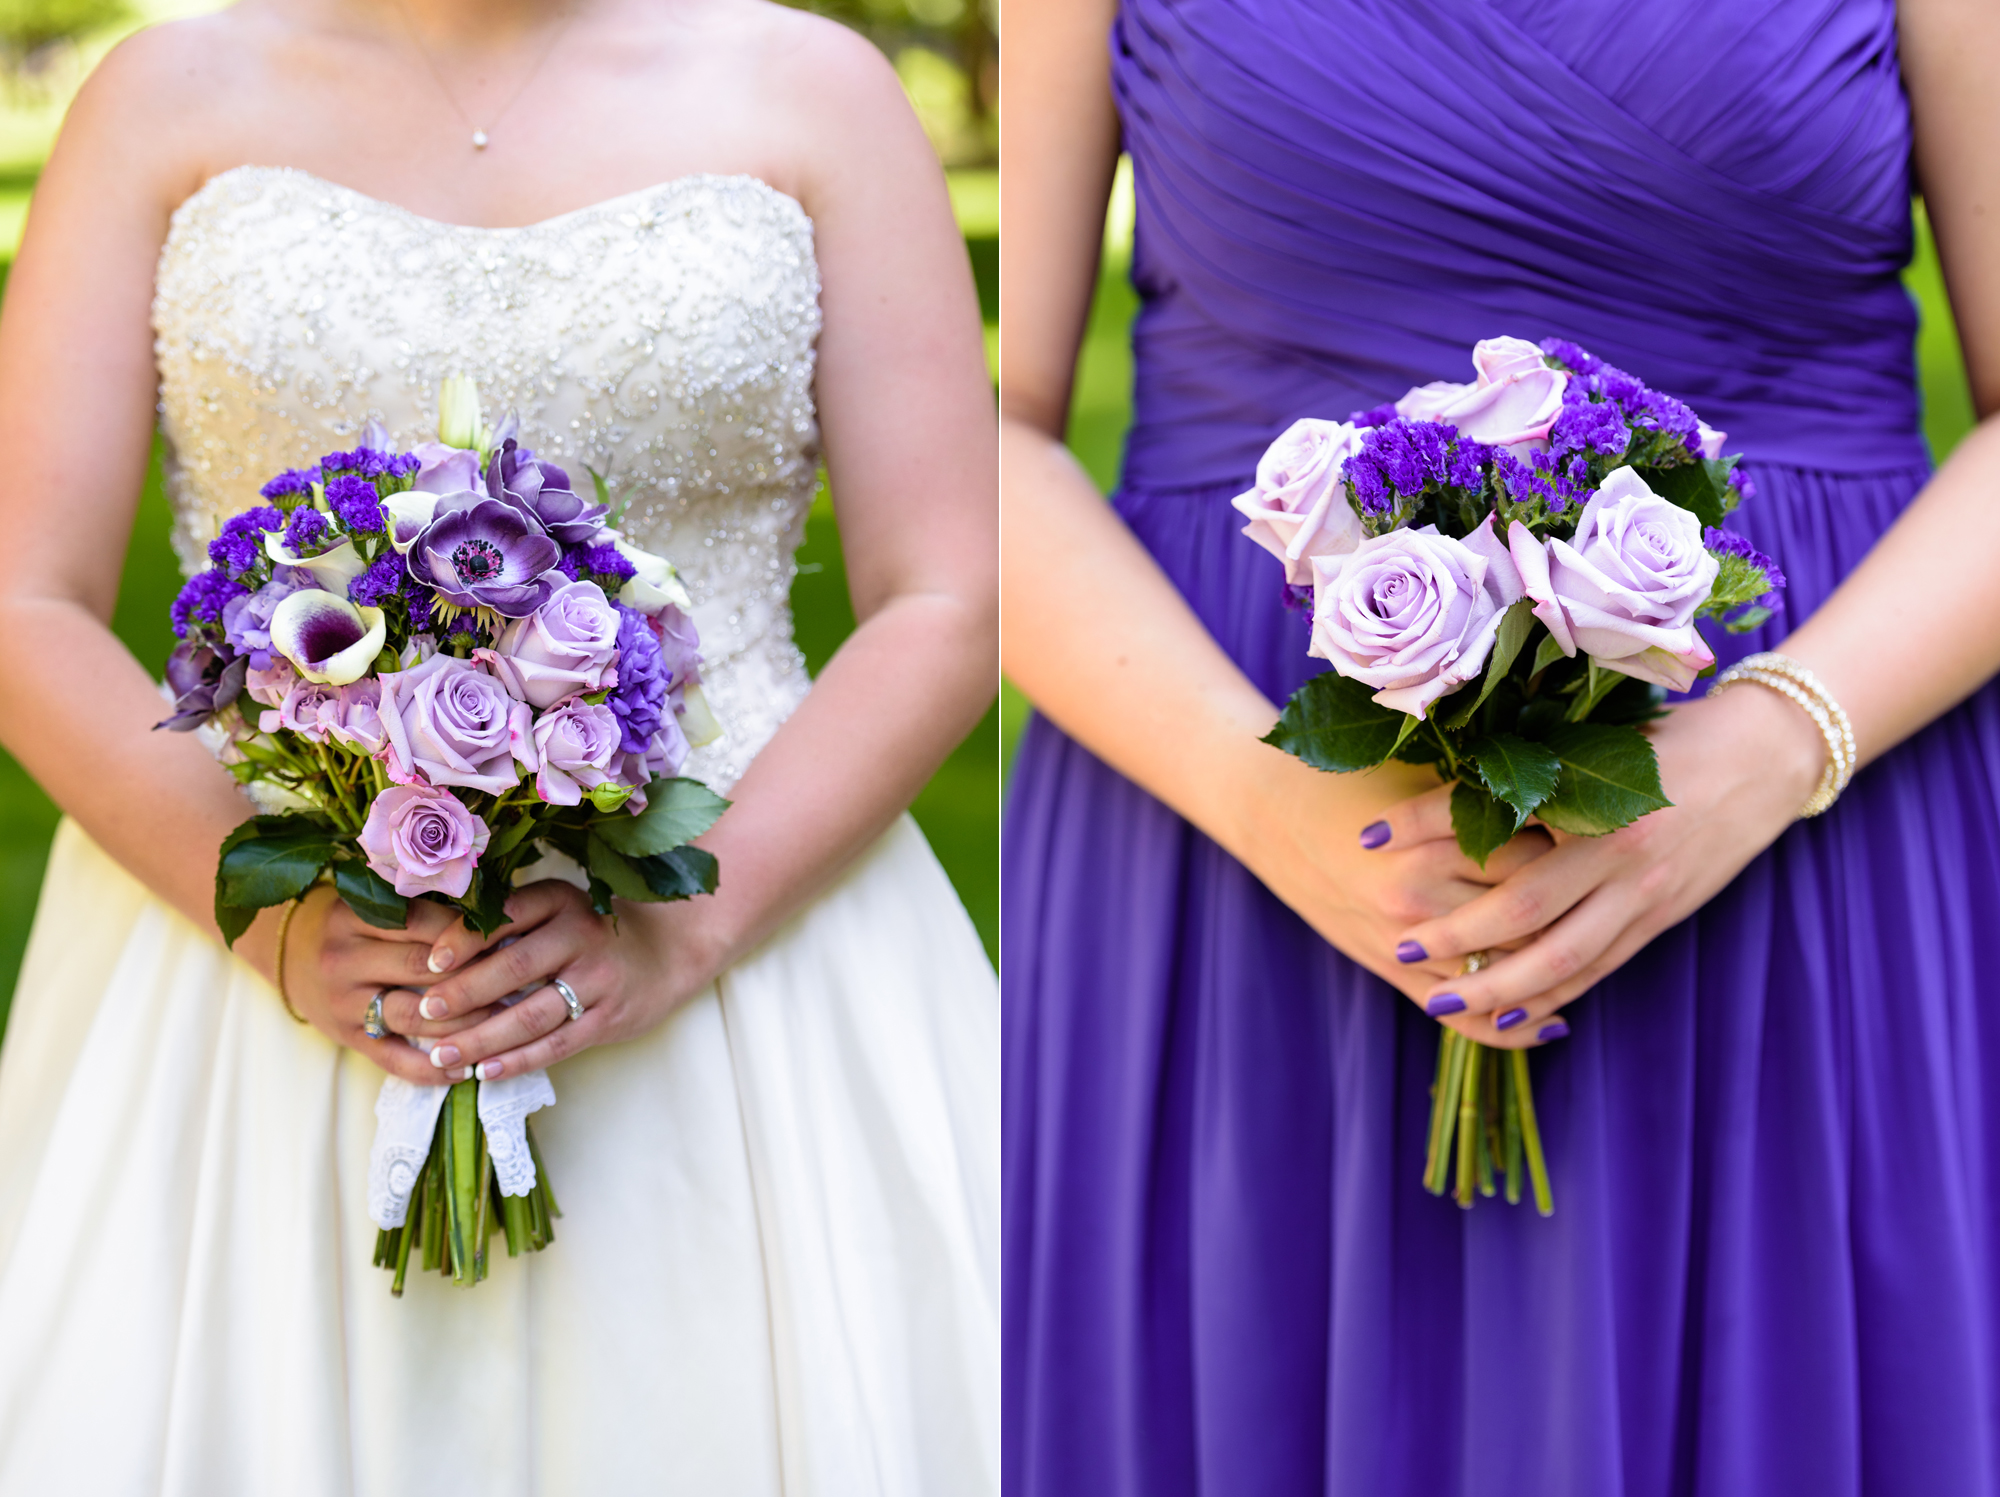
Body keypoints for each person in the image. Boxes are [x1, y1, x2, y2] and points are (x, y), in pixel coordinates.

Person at [1001, 0, 2000, 1491]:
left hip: (1825, 830)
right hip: (1238, 836)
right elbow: (982, 436)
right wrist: (1255, 789)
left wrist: (1774, 744)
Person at [0, 0, 998, 1490]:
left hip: (747, 926)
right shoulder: (163, 96)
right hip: (259, 956)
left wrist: (696, 920)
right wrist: (269, 916)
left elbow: (953, 590)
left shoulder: (816, 93)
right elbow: (22, 589)